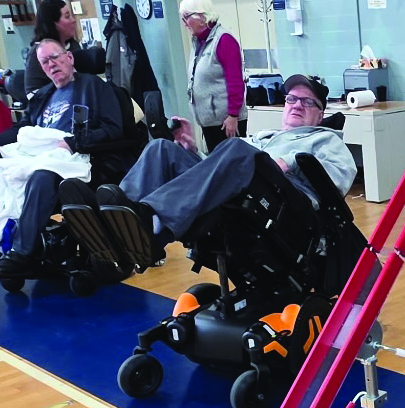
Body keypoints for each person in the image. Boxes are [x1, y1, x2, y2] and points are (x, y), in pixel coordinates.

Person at [58, 74, 355, 271]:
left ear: (320, 113)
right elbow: (218, 171)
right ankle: (115, 218)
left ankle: (150, 219)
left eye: (307, 102)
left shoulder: (325, 140)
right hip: (238, 192)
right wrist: (193, 151)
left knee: (237, 148)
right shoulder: (264, 137)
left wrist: (289, 161)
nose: (297, 105)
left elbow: (338, 179)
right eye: (292, 99)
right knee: (162, 148)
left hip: (281, 206)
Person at [0, 39, 126, 278]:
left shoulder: (96, 87)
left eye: (55, 57)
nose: (51, 64)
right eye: (45, 62)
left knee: (42, 176)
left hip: (76, 156)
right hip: (38, 153)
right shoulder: (43, 95)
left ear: (69, 57)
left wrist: (73, 142)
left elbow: (113, 128)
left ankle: (21, 253)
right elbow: (23, 129)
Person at [180, 0, 245, 152]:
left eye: (186, 17)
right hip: (209, 121)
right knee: (215, 162)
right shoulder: (198, 42)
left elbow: (236, 81)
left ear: (201, 17)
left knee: (231, 162)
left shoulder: (224, 40)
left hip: (226, 122)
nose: (184, 23)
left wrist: (233, 115)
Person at [23, 0, 100, 91]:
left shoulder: (72, 45)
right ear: (52, 23)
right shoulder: (38, 52)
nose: (73, 20)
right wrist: (61, 91)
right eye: (67, 17)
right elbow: (32, 94)